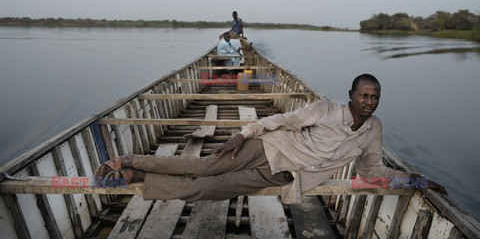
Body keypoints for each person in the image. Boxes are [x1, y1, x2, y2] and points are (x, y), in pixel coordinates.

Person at [95, 74, 447, 204]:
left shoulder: (374, 130)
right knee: (200, 169)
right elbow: (282, 118)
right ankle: (129, 161)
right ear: (351, 95)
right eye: (364, 95)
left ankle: (142, 179)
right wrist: (241, 133)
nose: (369, 102)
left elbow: (371, 171)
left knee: (205, 190)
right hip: (265, 146)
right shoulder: (325, 109)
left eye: (375, 97)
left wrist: (411, 178)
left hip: (281, 175)